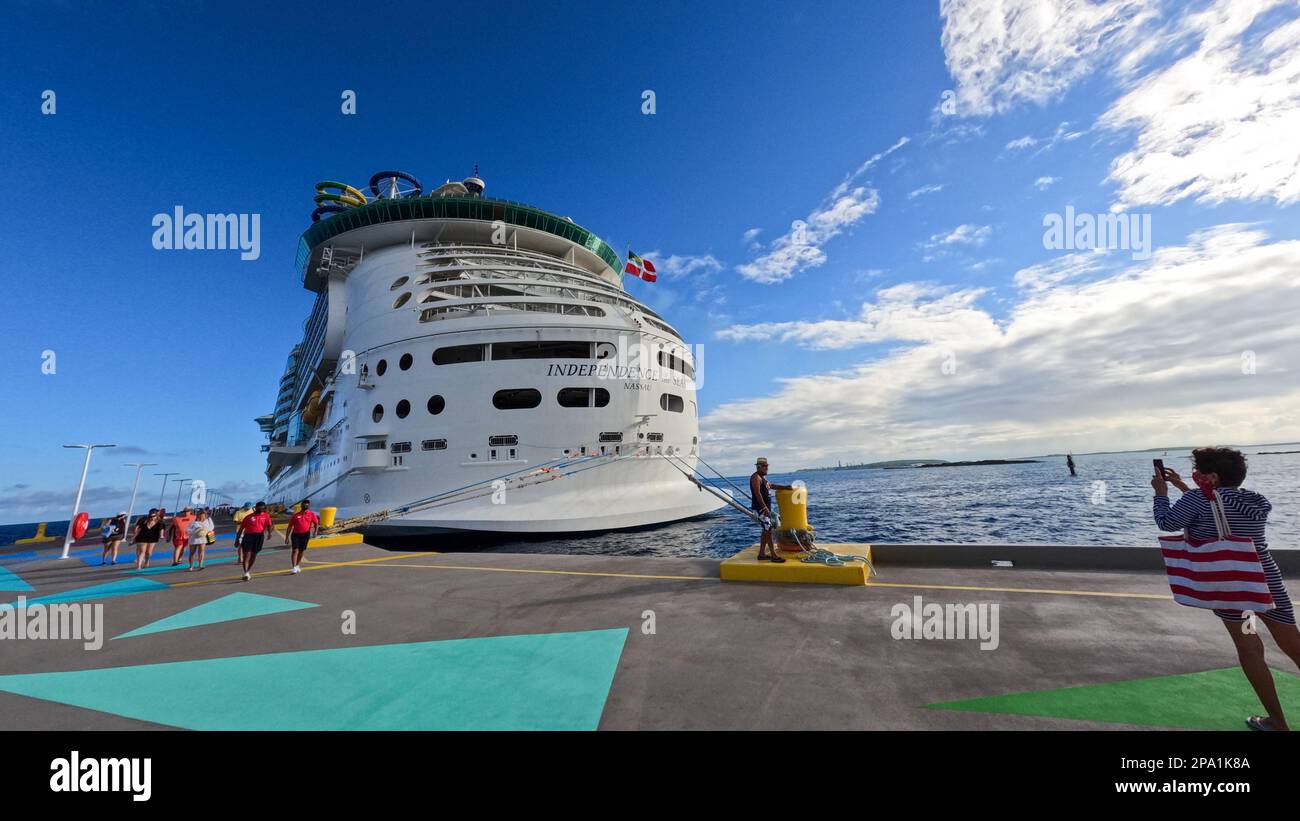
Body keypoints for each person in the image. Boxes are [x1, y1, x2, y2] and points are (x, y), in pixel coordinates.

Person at [1153, 446, 1300, 731]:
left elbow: (1167, 521)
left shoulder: (1198, 499)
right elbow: (1216, 507)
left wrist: (1161, 493)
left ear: (1212, 477)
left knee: (1250, 649)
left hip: (1235, 588)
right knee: (1293, 644)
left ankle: (1277, 723)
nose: (1194, 476)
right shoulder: (1257, 500)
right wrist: (1185, 486)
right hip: (1266, 581)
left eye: (1198, 472)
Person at [750, 457, 792, 563]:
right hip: (760, 509)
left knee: (766, 531)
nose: (767, 468)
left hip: (764, 509)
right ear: (759, 467)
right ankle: (773, 555)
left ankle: (761, 554)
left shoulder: (763, 478)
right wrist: (764, 508)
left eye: (767, 466)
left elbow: (772, 486)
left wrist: (786, 487)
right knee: (768, 531)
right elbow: (757, 493)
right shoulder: (756, 477)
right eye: (765, 466)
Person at [236, 501, 274, 582]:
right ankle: (246, 573)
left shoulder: (266, 516)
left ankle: (248, 570)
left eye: (262, 508)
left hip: (259, 537)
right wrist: (237, 540)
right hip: (248, 536)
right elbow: (241, 529)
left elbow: (270, 525)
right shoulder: (248, 517)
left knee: (254, 555)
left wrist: (270, 533)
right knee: (247, 555)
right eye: (259, 507)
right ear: (255, 507)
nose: (261, 509)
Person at [286, 499, 320, 575]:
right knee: (295, 550)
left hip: (305, 535)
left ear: (309, 506)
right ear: (301, 505)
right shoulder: (295, 515)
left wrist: (315, 532)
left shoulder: (311, 514)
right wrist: (286, 537)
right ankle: (294, 567)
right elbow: (290, 526)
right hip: (295, 535)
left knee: (301, 551)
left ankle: (297, 565)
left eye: (307, 504)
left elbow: (316, 523)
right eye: (304, 504)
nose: (305, 505)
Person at [186, 507, 215, 571]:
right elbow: (188, 530)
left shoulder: (208, 520)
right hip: (193, 539)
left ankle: (200, 565)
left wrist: (205, 529)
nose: (202, 516)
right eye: (201, 515)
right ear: (198, 515)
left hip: (203, 538)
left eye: (204, 515)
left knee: (201, 550)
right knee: (192, 552)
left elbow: (211, 527)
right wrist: (196, 530)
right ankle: (191, 566)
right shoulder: (193, 522)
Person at [233, 501, 253, 566]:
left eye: (249, 508)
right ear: (244, 506)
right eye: (247, 508)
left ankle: (247, 558)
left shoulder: (252, 511)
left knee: (248, 545)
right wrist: (244, 523)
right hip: (241, 531)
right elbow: (235, 521)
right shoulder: (238, 512)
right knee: (241, 545)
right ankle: (240, 558)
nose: (248, 509)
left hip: (250, 530)